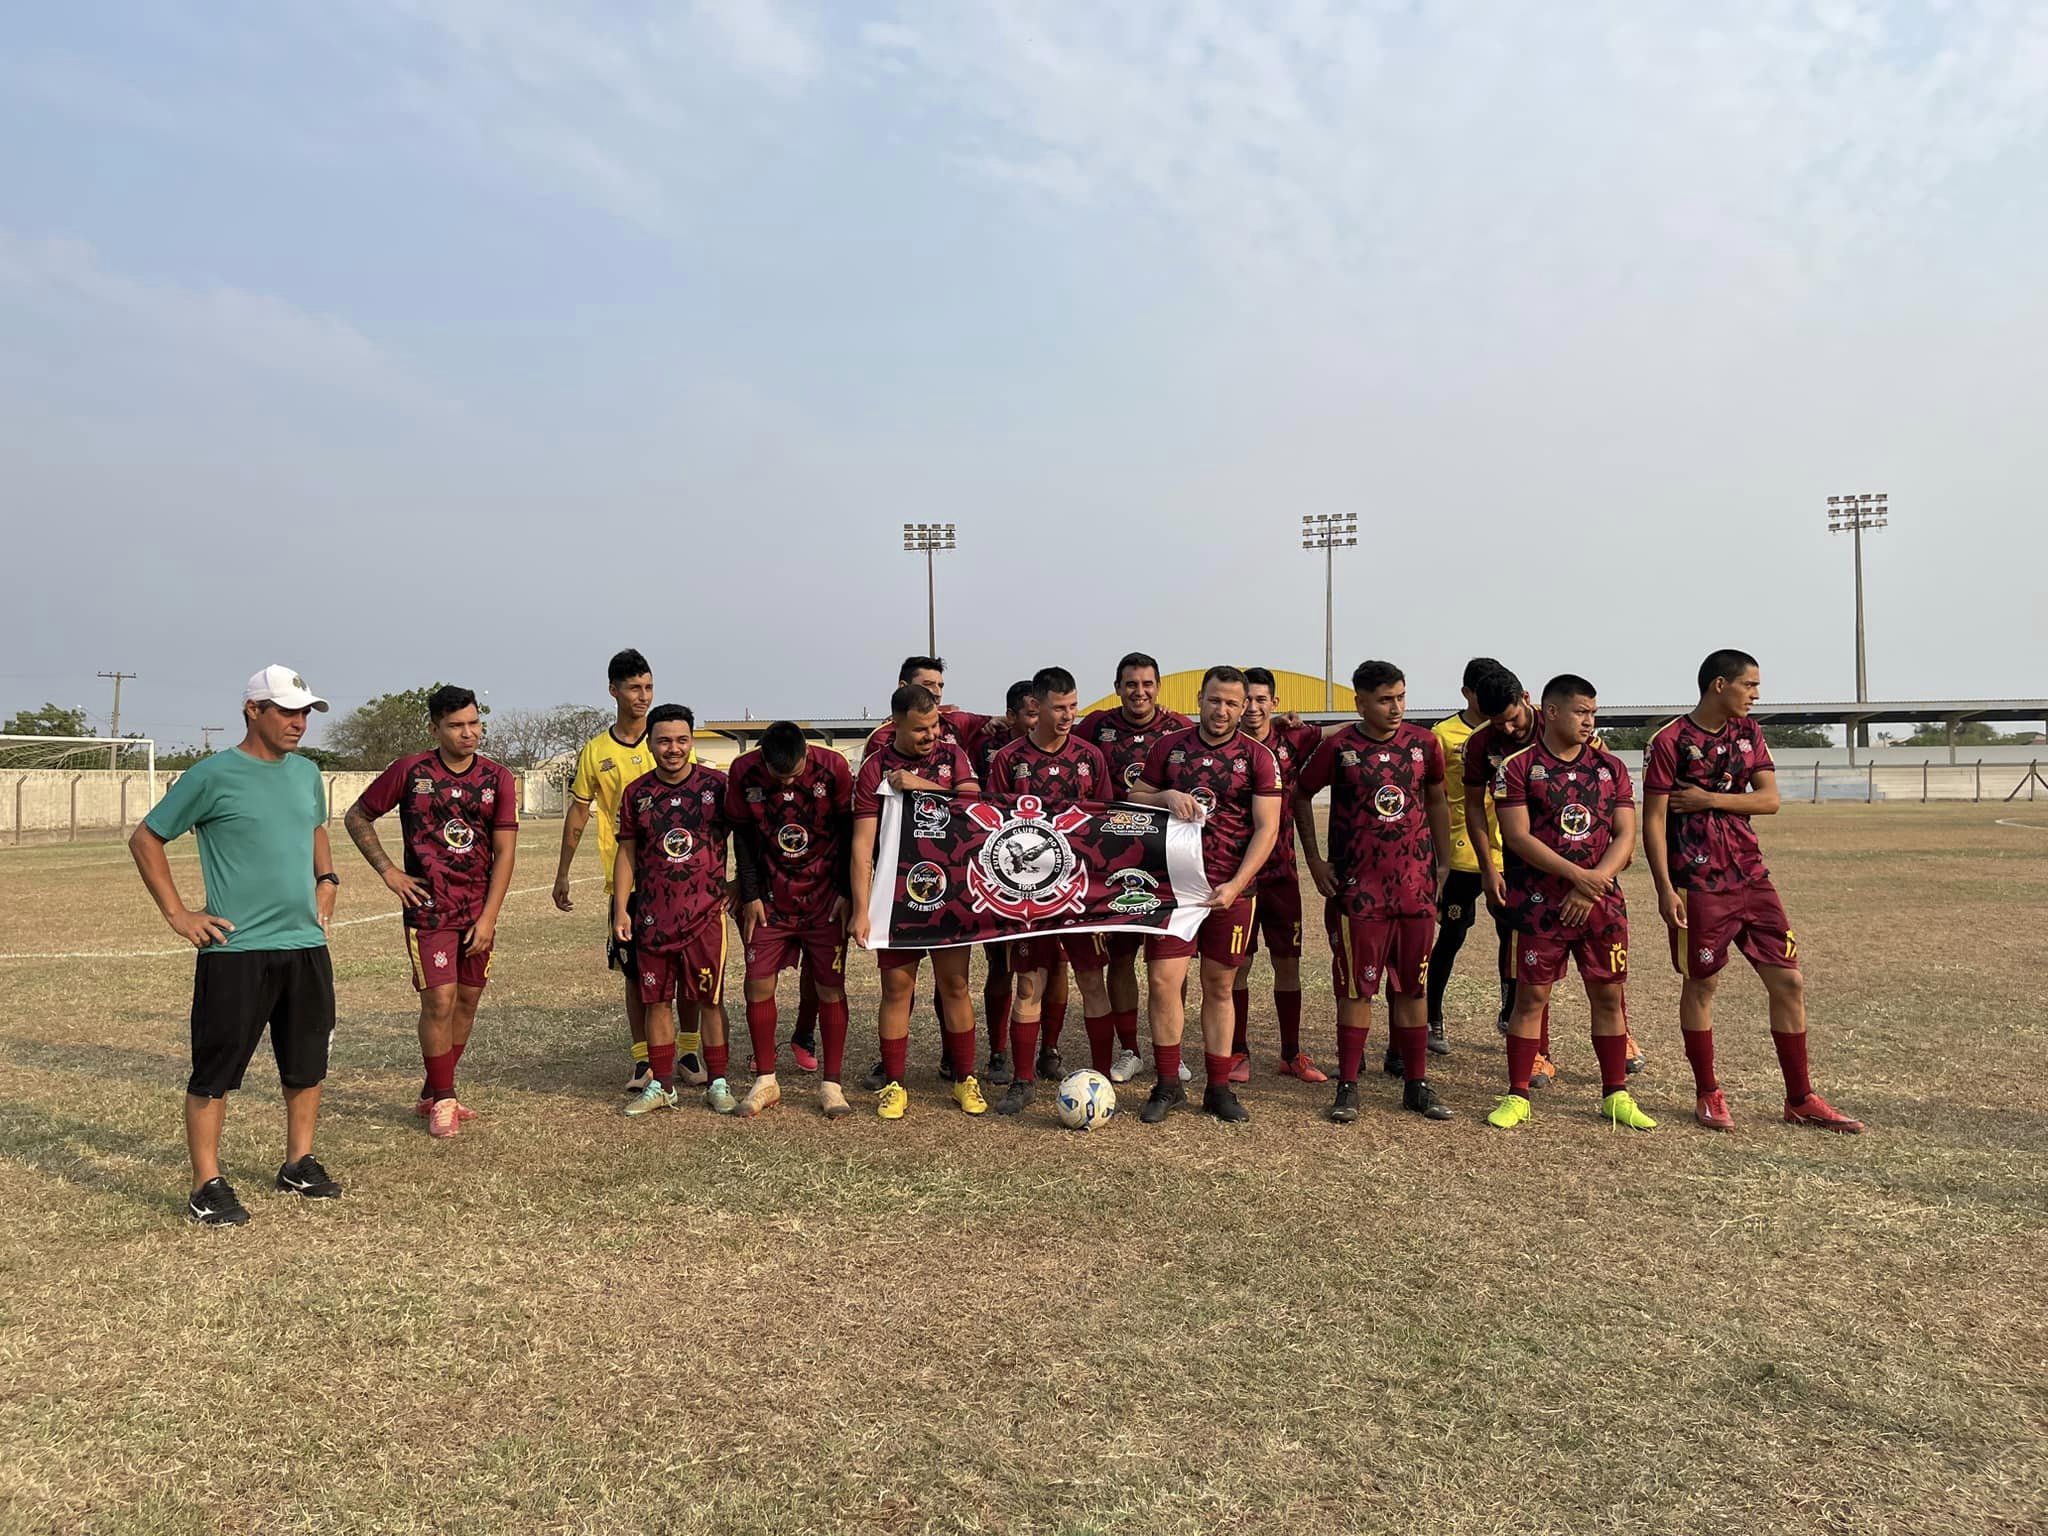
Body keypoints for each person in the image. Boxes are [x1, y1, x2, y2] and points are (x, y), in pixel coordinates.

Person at [129, 665, 343, 1225]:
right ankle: (207, 1183)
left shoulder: (306, 774)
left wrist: (327, 878)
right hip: (236, 950)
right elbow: (146, 837)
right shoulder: (212, 775)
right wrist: (178, 914)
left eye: (304, 712)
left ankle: (298, 1162)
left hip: (304, 945)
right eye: (287, 712)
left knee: (307, 1062)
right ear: (253, 710)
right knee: (215, 1070)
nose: (299, 723)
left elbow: (316, 828)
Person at [1644, 650, 1863, 1132]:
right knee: (1702, 984)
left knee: (1789, 981)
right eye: (1750, 685)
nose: (1757, 694)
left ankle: (1800, 1097)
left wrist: (1709, 800)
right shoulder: (1669, 741)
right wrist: (1664, 887)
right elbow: (1654, 820)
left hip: (1751, 875)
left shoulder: (1750, 733)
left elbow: (1770, 800)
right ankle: (1708, 1092)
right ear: (1719, 684)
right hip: (1698, 882)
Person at [343, 685, 518, 1138]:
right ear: (434, 728)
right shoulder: (410, 771)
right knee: (439, 999)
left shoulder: (497, 778)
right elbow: (356, 816)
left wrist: (489, 918)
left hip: (477, 910)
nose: (468, 733)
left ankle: (436, 1088)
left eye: (474, 723)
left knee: (467, 1000)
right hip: (429, 910)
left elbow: (505, 853)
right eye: (457, 725)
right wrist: (388, 872)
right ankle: (443, 1099)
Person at [1486, 675, 1654, 1132]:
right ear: (1553, 711)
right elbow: (1517, 837)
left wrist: (1593, 883)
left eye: (1593, 713)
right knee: (1531, 997)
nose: (1589, 720)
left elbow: (1625, 834)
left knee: (1608, 996)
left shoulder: (1611, 767)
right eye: (1581, 711)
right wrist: (1577, 877)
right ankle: (1518, 1094)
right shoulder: (1517, 767)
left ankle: (1615, 1094)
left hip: (1600, 903)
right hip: (1539, 904)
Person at [1294, 660, 1456, 1124]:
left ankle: (1416, 1084)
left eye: (1401, 696)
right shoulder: (1341, 747)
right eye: (1385, 699)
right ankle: (1348, 1086)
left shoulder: (1425, 745)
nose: (1396, 707)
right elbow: (1301, 794)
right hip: (1359, 893)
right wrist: (1315, 860)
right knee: (1356, 988)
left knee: (1412, 988)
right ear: (1360, 702)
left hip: (1415, 891)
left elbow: (1438, 800)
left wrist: (1441, 865)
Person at [1127, 665, 1282, 1123]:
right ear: (1200, 698)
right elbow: (1134, 795)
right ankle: (1168, 1083)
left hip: (1228, 891)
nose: (1224, 710)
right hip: (1172, 890)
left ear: (1245, 706)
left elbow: (1267, 828)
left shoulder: (1257, 756)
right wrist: (1165, 796)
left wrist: (1236, 884)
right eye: (1216, 700)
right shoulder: (1169, 747)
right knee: (1162, 983)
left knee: (1220, 986)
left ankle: (1218, 1088)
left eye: (1234, 703)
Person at [552, 649, 706, 1092]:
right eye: (635, 688)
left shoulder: (670, 740)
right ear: (613, 691)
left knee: (687, 971)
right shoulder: (596, 752)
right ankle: (642, 1059)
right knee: (636, 974)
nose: (643, 697)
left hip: (680, 880)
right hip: (629, 884)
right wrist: (562, 872)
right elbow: (578, 814)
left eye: (649, 688)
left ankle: (690, 1049)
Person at [848, 682, 987, 1119]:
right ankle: (894, 1083)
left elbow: (977, 809)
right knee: (896, 989)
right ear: (895, 726)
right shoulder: (875, 767)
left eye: (935, 726)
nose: (931, 736)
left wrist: (921, 785)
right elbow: (861, 846)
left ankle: (965, 1078)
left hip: (952, 892)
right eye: (921, 730)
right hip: (896, 896)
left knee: (956, 986)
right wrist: (860, 909)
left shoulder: (953, 756)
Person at [982, 666, 1116, 1115]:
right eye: (1060, 708)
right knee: (1027, 987)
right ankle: (1022, 1081)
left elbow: (1107, 822)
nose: (1068, 716)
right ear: (1036, 707)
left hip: (1083, 895)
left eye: (1074, 706)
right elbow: (993, 829)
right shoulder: (1008, 760)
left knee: (1093, 982)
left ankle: (1100, 1075)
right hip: (1028, 897)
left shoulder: (1091, 757)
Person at [726, 720, 857, 1119]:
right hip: (769, 899)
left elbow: (850, 831)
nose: (787, 782)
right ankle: (766, 1079)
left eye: (795, 773)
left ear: (806, 753)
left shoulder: (833, 767)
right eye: (778, 775)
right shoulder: (743, 771)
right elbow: (743, 835)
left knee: (830, 987)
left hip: (823, 899)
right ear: (763, 760)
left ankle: (831, 1084)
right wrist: (749, 894)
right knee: (757, 984)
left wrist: (845, 892)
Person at [612, 705, 737, 1116]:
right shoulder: (637, 793)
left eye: (682, 740)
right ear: (649, 743)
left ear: (692, 742)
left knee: (710, 999)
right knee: (656, 1001)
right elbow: (627, 852)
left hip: (705, 914)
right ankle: (663, 1085)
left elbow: (751, 836)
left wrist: (739, 886)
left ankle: (718, 1082)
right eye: (664, 740)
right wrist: (621, 909)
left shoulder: (718, 787)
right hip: (653, 916)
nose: (674, 749)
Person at [1074, 651, 1192, 1083]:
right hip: (1112, 865)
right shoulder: (1097, 726)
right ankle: (1129, 1049)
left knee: (1168, 966)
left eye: (1146, 684)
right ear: (1117, 686)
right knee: (1121, 960)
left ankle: (1170, 1050)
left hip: (1165, 864)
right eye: (1130, 684)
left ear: (1157, 687)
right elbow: (1054, 732)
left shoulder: (1180, 728)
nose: (1138, 692)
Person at [1230, 666, 1329, 1084]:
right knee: (1239, 965)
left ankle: (1291, 1053)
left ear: (1274, 702)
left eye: (1260, 700)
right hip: (1236, 877)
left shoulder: (1295, 738)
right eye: (1245, 700)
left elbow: (1344, 732)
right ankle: (1237, 1051)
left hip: (1282, 873)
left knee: (1287, 962)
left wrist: (1303, 720)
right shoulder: (1224, 746)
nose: (1252, 708)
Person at [1425, 657, 1508, 1059]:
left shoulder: (1509, 727)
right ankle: (1432, 1016)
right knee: (1452, 936)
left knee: (1513, 934)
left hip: (1506, 851)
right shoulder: (1443, 735)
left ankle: (1510, 1013)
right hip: (1459, 852)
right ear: (1466, 694)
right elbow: (1433, 797)